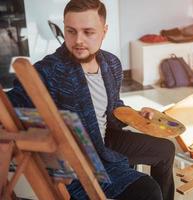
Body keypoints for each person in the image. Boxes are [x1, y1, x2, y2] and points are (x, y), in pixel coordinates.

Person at [6, 0, 175, 199]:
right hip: (80, 155)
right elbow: (11, 105)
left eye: (88, 32)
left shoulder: (111, 63)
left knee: (166, 149)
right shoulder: (49, 70)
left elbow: (112, 108)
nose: (78, 40)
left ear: (104, 31)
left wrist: (134, 115)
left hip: (104, 138)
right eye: (71, 31)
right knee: (147, 190)